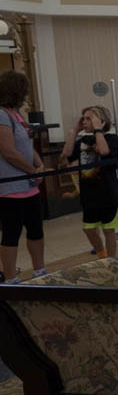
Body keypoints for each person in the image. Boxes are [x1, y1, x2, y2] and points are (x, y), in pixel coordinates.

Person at [0, 71, 45, 283]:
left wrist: (39, 165)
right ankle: (10, 277)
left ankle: (39, 271)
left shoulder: (16, 113)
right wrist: (31, 170)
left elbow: (26, 144)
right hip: (11, 187)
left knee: (35, 229)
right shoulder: (2, 115)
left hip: (29, 185)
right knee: (12, 232)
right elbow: (8, 151)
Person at [61, 106, 118, 259]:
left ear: (101, 121)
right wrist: (74, 131)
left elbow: (104, 151)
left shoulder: (112, 139)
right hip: (89, 195)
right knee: (88, 229)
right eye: (84, 118)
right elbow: (67, 154)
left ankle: (111, 260)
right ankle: (102, 254)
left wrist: (97, 130)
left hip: (107, 194)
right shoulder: (83, 141)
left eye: (89, 118)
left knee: (109, 231)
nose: (85, 121)